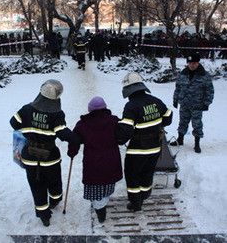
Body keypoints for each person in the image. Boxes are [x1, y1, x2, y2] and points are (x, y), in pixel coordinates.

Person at [9, 79, 80, 227]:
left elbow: (13, 123)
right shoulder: (57, 114)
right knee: (54, 180)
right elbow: (62, 133)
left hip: (29, 155)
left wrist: (30, 126)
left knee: (36, 186)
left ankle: (44, 215)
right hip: (50, 157)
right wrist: (78, 138)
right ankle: (55, 200)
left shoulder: (26, 109)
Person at [116, 72, 173, 212]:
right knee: (147, 173)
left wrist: (118, 137)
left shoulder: (131, 106)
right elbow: (169, 117)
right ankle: (145, 195)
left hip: (137, 151)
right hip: (155, 147)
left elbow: (126, 131)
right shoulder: (156, 101)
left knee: (133, 175)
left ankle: (135, 203)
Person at [67, 97, 122, 223]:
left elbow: (74, 140)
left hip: (93, 163)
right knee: (107, 183)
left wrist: (72, 153)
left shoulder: (82, 124)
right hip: (111, 161)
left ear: (90, 110)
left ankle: (100, 210)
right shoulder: (113, 121)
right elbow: (122, 135)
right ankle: (102, 203)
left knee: (96, 186)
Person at [170, 52, 214, 153]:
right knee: (182, 122)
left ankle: (197, 143)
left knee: (197, 124)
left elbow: (209, 91)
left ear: (198, 63)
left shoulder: (204, 75)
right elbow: (178, 88)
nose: (191, 65)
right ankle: (180, 139)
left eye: (193, 63)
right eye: (190, 63)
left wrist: (206, 103)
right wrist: (175, 99)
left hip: (197, 105)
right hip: (184, 103)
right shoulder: (183, 74)